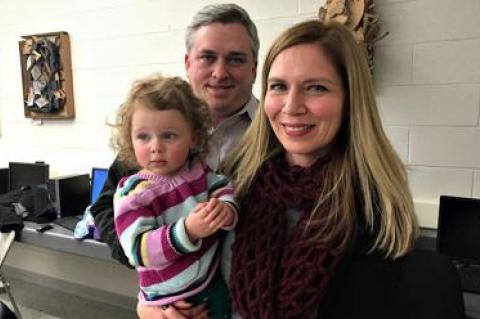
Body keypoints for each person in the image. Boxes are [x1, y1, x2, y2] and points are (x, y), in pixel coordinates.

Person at [141, 19, 465, 319]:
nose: (291, 106)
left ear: (350, 100)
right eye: (279, 86)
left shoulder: (371, 207)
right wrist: (152, 307)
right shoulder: (232, 183)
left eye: (316, 88)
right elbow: (172, 260)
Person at [90, 3, 258, 268]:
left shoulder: (277, 132)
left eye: (236, 59)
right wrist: (155, 281)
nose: (220, 72)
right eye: (207, 57)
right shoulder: (154, 126)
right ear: (188, 63)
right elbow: (104, 209)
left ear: (254, 68)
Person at [112, 75, 238, 318]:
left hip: (211, 283)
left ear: (194, 137)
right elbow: (138, 249)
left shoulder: (198, 170)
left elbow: (222, 187)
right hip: (169, 301)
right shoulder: (134, 192)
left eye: (168, 135)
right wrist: (188, 231)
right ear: (130, 139)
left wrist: (226, 207)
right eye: (143, 137)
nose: (155, 146)